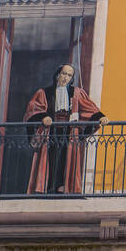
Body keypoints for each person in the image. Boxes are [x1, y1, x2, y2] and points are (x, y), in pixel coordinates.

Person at [24, 64, 106, 195]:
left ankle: (63, 187)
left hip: (69, 131)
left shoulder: (77, 92)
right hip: (50, 131)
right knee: (50, 158)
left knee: (65, 159)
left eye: (69, 75)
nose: (65, 77)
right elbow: (33, 108)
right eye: (63, 73)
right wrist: (43, 116)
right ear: (57, 75)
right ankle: (47, 188)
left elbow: (89, 108)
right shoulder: (44, 92)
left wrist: (100, 117)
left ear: (72, 78)